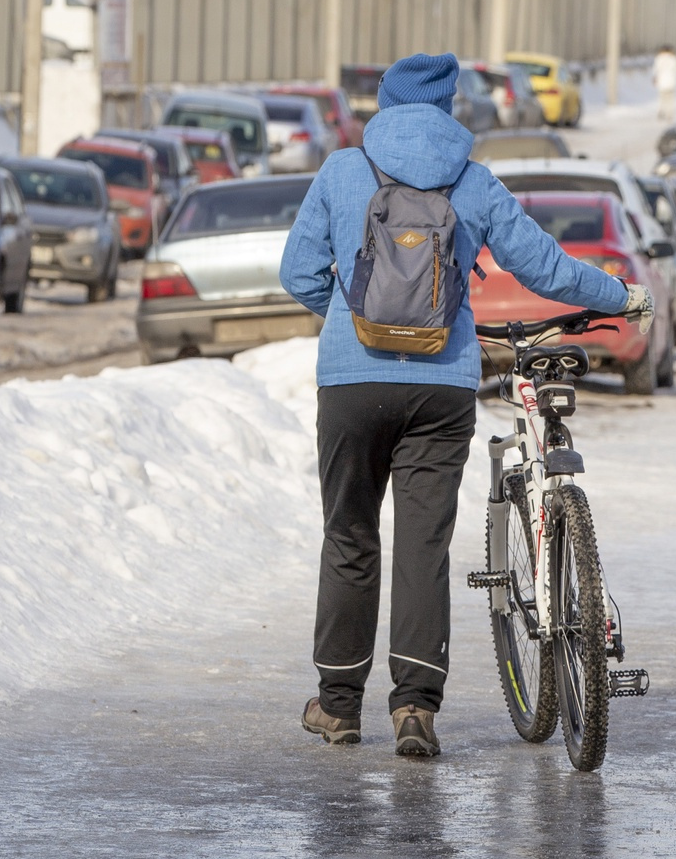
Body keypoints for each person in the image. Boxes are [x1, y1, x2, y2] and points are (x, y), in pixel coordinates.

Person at [279, 51, 653, 760]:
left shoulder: (342, 173)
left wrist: (351, 318)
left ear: (383, 106)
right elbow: (543, 266)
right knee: (423, 544)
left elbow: (297, 272)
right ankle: (415, 709)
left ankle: (338, 707)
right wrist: (620, 294)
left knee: (350, 535)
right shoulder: (474, 181)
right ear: (450, 109)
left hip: (351, 384)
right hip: (440, 386)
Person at [651, 45, 676, 123]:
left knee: (662, 98)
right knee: (670, 99)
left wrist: (655, 79)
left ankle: (661, 111)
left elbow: (655, 70)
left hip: (662, 81)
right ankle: (669, 114)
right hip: (671, 81)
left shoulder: (659, 58)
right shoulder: (674, 59)